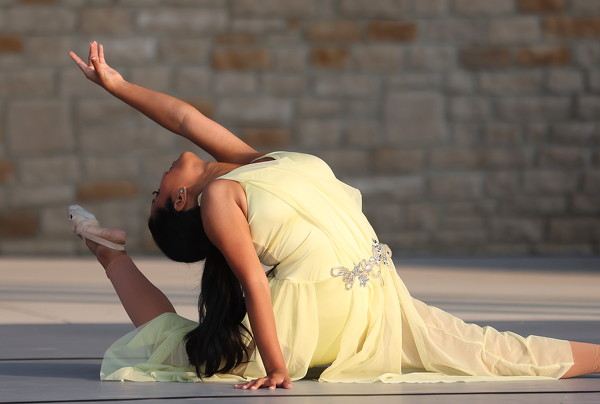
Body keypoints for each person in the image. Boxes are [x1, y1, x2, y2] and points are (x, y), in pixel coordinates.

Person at [68, 42, 600, 390]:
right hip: (312, 316)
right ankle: (111, 257)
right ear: (180, 201)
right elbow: (252, 280)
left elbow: (185, 118)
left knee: (491, 350)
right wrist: (278, 366)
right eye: (157, 194)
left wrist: (117, 86)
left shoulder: (255, 163)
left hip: (378, 301)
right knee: (182, 349)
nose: (159, 180)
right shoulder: (218, 199)